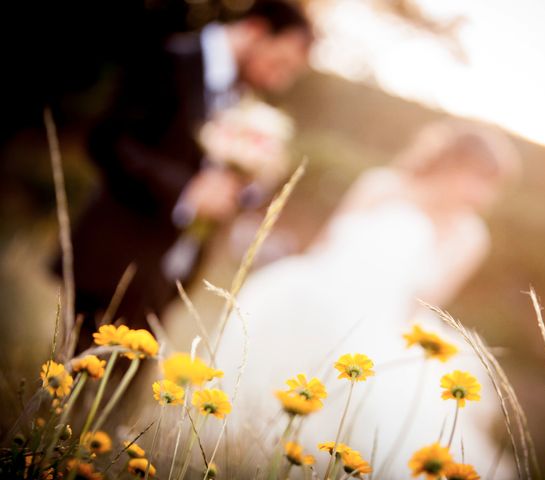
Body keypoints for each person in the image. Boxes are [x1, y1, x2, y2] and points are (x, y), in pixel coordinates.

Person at [216, 119, 521, 477]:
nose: (483, 196)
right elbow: (327, 244)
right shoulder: (381, 185)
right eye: (480, 180)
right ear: (452, 166)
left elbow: (424, 303)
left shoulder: (470, 236)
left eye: (492, 187)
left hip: (381, 327)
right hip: (315, 296)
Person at [58, 1, 313, 350]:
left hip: (170, 275)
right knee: (74, 384)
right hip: (115, 260)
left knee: (124, 394)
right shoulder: (170, 57)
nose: (278, 79)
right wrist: (186, 191)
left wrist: (249, 184)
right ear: (255, 30)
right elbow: (108, 140)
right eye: (279, 63)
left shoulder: (245, 96)